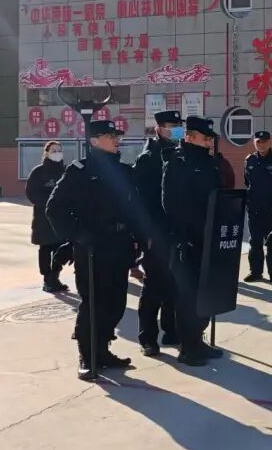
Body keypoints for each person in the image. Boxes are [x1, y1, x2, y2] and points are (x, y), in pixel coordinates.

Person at [46, 120, 144, 380]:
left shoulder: (123, 171)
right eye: (110, 136)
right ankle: (87, 356)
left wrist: (138, 239)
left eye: (116, 136)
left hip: (119, 245)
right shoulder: (80, 171)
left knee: (116, 303)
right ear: (94, 141)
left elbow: (133, 209)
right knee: (93, 304)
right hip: (92, 248)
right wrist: (78, 236)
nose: (116, 140)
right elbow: (54, 208)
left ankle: (103, 350)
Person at [162, 116, 223, 366]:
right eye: (205, 138)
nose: (209, 142)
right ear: (189, 137)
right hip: (187, 240)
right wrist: (188, 231)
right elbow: (171, 203)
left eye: (210, 138)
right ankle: (187, 347)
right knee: (188, 296)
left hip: (208, 238)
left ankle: (198, 339)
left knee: (205, 292)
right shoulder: (178, 163)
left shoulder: (210, 162)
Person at [132, 110, 182, 355]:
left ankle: (171, 330)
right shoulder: (149, 158)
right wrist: (145, 235)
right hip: (156, 233)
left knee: (174, 284)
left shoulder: (179, 153)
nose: (178, 130)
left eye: (179, 126)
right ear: (159, 129)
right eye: (173, 126)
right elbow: (141, 202)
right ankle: (148, 338)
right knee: (154, 286)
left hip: (176, 231)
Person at [25, 140, 68, 293]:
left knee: (60, 248)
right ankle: (47, 278)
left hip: (61, 217)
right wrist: (49, 203)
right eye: (53, 150)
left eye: (59, 150)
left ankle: (55, 277)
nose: (57, 153)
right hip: (43, 217)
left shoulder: (65, 171)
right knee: (45, 248)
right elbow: (31, 193)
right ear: (46, 153)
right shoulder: (38, 172)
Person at [243, 131, 272, 283]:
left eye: (264, 142)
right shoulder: (249, 160)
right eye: (258, 142)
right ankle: (256, 272)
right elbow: (247, 182)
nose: (261, 144)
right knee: (255, 241)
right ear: (254, 143)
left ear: (269, 142)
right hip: (254, 209)